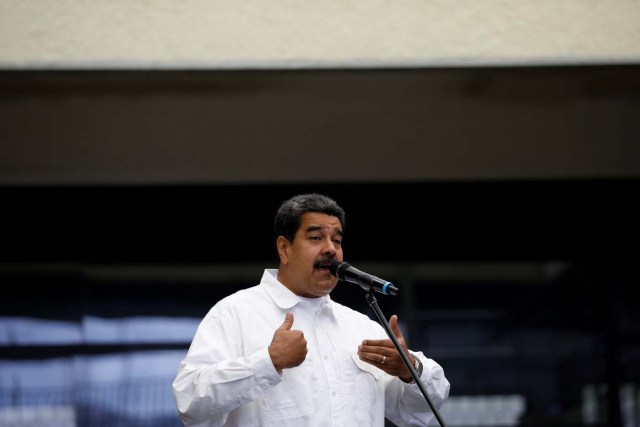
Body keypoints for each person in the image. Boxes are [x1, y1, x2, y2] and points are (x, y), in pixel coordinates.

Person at [172, 193, 450, 426]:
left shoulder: (360, 326)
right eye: (316, 238)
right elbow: (189, 401)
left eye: (337, 240)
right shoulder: (235, 313)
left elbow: (418, 412)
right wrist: (267, 362)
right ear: (284, 248)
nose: (331, 249)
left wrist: (408, 368)